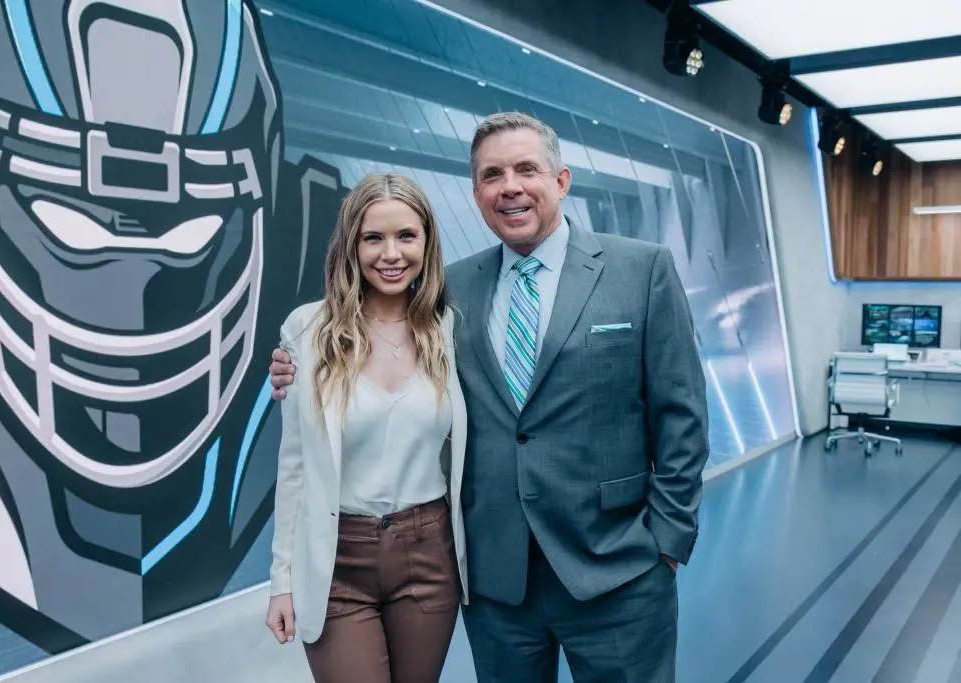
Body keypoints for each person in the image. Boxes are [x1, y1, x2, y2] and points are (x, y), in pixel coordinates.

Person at [269, 112, 709, 683]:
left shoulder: (641, 270)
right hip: (498, 582)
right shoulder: (451, 292)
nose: (511, 187)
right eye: (492, 174)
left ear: (561, 180)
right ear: (476, 192)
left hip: (618, 570)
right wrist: (292, 369)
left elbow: (683, 416)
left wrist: (666, 544)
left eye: (526, 168)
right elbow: (360, 340)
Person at [264, 172, 469, 683]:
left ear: (427, 243)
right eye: (373, 238)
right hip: (336, 561)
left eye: (406, 236)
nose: (391, 253)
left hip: (429, 553)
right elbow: (294, 465)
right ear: (351, 245)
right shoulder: (306, 332)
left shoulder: (451, 330)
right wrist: (280, 580)